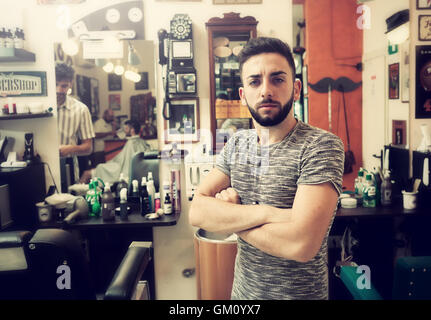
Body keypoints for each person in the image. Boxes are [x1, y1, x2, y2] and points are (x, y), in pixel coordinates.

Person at [189, 37, 345, 300]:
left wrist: (233, 216)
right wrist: (271, 213)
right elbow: (197, 211)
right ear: (242, 94)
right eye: (254, 81)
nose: (265, 91)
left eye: (277, 79)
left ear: (296, 89)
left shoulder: (320, 146)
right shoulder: (237, 144)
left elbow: (301, 245)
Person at [56, 63, 95, 188]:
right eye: (55, 84)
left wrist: (69, 149)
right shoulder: (39, 108)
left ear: (71, 84)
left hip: (69, 168)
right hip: (40, 168)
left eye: (63, 86)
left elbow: (88, 148)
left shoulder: (81, 109)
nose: (58, 90)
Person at [80, 120, 151, 184]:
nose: (125, 131)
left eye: (126, 129)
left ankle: (77, 192)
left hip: (122, 170)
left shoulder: (131, 143)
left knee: (92, 170)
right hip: (134, 169)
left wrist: (111, 162)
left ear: (132, 130)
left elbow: (123, 162)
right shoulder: (142, 142)